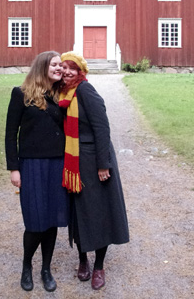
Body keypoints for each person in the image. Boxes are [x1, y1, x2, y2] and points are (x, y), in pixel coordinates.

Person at [58, 51, 130, 290]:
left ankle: (98, 265)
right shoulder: (62, 93)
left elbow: (102, 127)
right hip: (74, 161)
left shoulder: (86, 91)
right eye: (64, 67)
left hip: (93, 160)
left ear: (81, 71)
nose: (67, 71)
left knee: (100, 213)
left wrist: (103, 164)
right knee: (79, 212)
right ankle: (82, 259)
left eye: (72, 68)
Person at [4, 51, 68, 292]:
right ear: (43, 66)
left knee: (51, 220)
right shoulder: (20, 94)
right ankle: (27, 266)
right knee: (34, 221)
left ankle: (46, 268)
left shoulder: (60, 96)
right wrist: (14, 169)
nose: (59, 68)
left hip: (57, 164)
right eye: (55, 64)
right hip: (31, 165)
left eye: (61, 65)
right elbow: (11, 135)